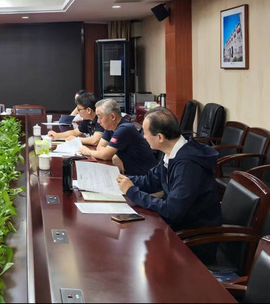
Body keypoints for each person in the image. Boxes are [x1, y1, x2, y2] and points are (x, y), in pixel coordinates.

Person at [116, 107, 221, 262]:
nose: (143, 137)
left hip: (193, 240)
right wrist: (118, 179)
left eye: (145, 132)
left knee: (130, 249)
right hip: (176, 227)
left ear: (160, 137)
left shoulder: (187, 165)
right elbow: (151, 181)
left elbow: (173, 210)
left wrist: (132, 191)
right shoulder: (172, 152)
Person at [78, 98, 156, 175]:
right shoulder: (110, 127)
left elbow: (104, 155)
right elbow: (100, 148)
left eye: (100, 116)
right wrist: (114, 155)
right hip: (129, 173)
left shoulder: (125, 128)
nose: (98, 121)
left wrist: (87, 152)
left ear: (112, 117)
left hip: (143, 177)